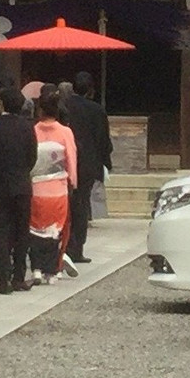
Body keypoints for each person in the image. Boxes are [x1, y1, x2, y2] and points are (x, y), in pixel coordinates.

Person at [0, 87, 36, 294]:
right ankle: (19, 276)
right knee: (22, 231)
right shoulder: (28, 128)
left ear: (1, 104)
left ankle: (3, 279)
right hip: (21, 183)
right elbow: (32, 158)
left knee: (0, 232)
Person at [30, 88, 78, 285]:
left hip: (36, 187)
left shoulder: (32, 131)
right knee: (56, 230)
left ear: (40, 109)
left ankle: (36, 268)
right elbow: (71, 159)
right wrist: (73, 181)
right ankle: (52, 269)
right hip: (58, 188)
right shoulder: (65, 132)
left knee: (35, 229)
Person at [64, 71, 113, 264]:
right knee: (81, 205)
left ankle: (62, 245)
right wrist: (105, 162)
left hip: (65, 161)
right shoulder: (96, 110)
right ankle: (76, 248)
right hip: (87, 164)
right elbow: (103, 141)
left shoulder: (64, 107)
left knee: (64, 204)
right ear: (91, 90)